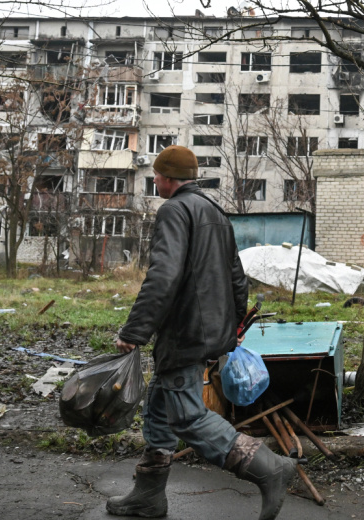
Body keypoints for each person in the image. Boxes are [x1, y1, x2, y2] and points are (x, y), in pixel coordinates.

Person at [108, 145, 296, 519]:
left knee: (187, 417)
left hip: (185, 333)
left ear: (165, 178)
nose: (156, 182)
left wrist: (135, 331)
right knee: (160, 411)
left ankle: (269, 468)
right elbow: (237, 278)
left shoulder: (174, 210)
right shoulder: (215, 213)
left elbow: (163, 275)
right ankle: (148, 497)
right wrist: (234, 328)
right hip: (208, 332)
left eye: (156, 177)